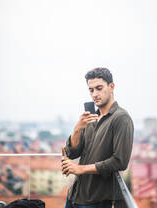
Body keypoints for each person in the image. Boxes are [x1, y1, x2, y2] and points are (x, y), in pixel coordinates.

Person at [61, 67, 134, 208]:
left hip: (97, 200)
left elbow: (120, 161)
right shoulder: (90, 118)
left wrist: (81, 169)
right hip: (74, 194)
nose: (94, 94)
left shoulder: (121, 118)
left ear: (111, 87)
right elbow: (73, 152)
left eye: (99, 88)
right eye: (91, 90)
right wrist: (77, 129)